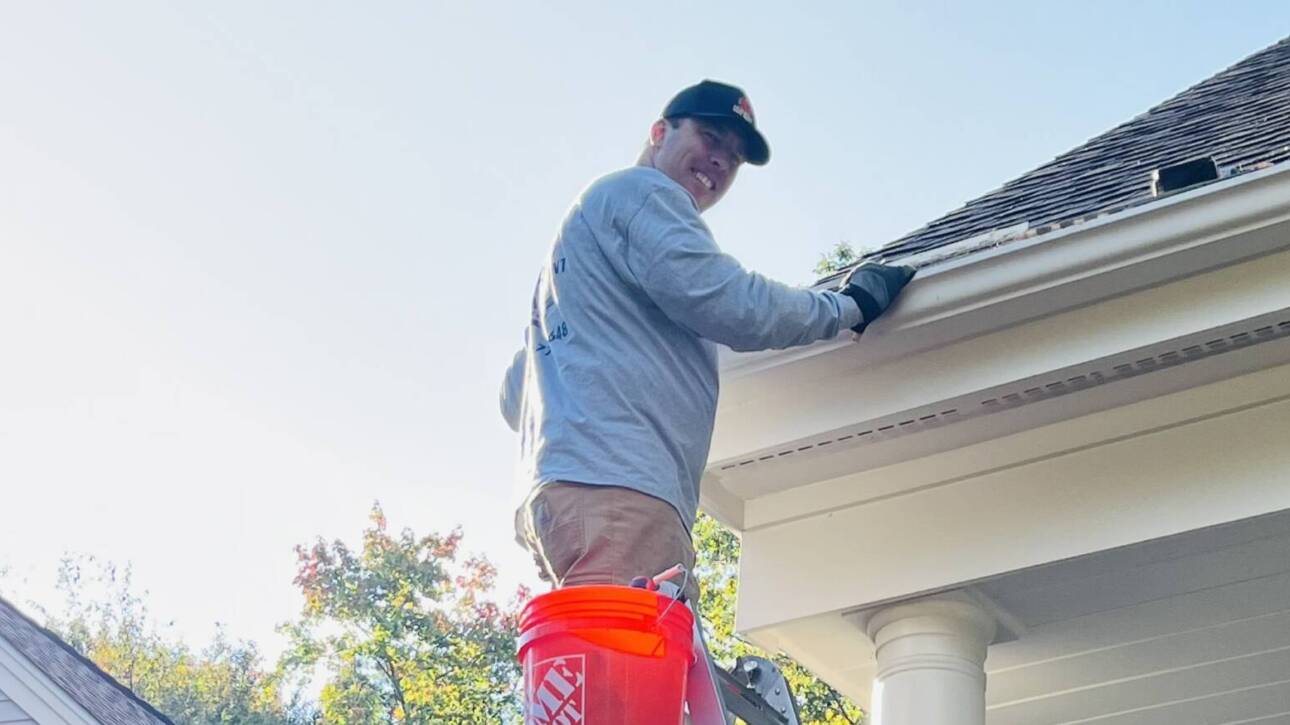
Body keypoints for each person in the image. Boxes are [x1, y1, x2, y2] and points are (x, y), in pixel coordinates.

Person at [500, 80, 914, 603]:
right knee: (631, 672)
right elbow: (733, 304)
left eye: (734, 157)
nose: (721, 161)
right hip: (620, 492)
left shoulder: (573, 260)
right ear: (658, 133)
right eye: (711, 137)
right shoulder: (643, 194)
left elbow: (515, 392)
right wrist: (850, 306)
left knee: (618, 662)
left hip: (561, 499)